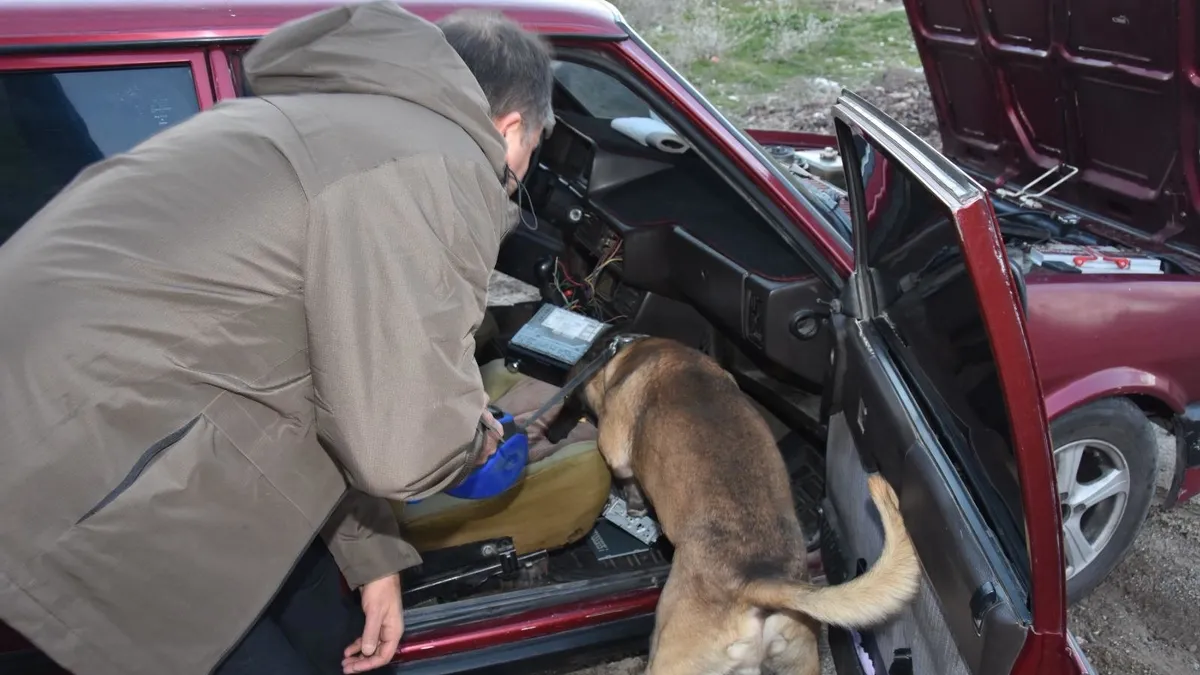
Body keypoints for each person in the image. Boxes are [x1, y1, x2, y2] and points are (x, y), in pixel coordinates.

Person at [0, 3, 555, 675]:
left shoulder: (336, 125)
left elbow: (335, 384)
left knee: (328, 634)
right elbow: (398, 446)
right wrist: (482, 439)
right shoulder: (435, 163)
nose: (517, 174)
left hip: (126, 423)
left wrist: (372, 559)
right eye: (528, 154)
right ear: (510, 126)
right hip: (85, 468)